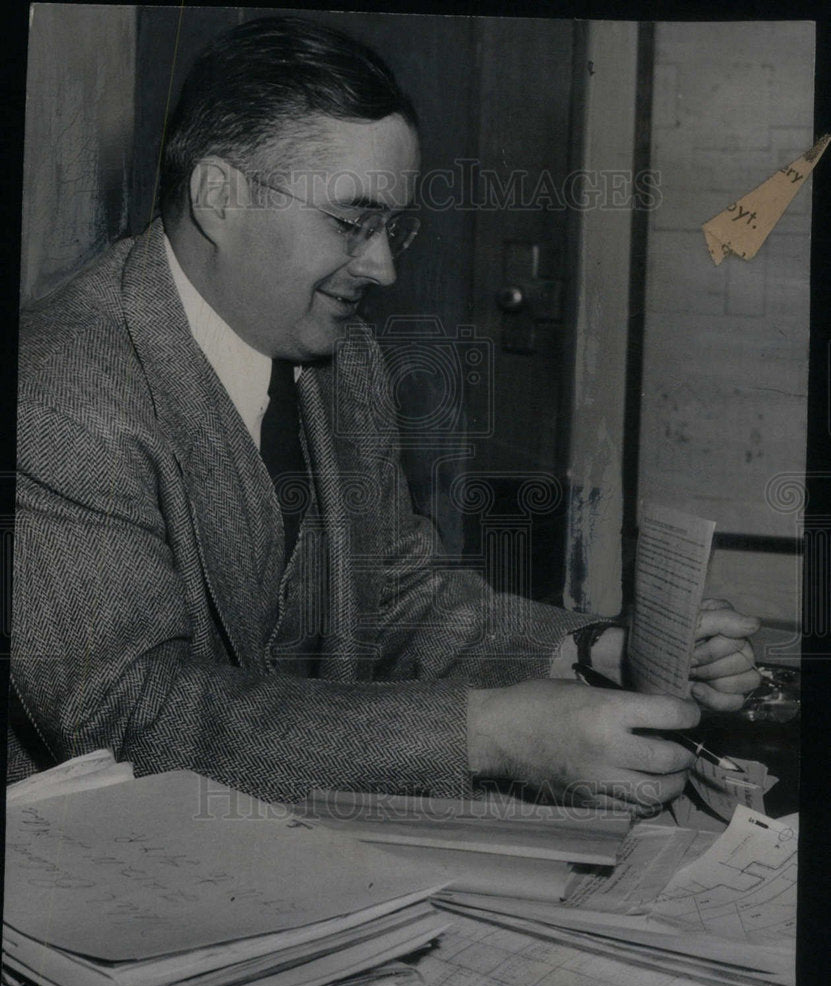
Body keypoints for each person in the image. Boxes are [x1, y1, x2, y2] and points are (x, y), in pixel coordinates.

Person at [11, 16, 760, 812]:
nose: (383, 265)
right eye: (350, 222)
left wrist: (596, 651)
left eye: (391, 226)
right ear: (218, 195)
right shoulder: (56, 392)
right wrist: (492, 733)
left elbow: (396, 599)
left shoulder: (341, 357)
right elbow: (133, 717)